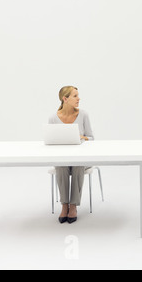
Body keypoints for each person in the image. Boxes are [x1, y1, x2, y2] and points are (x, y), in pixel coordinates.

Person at [48, 86, 94, 224]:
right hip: (62, 158)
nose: (79, 98)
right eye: (75, 96)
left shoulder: (83, 115)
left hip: (81, 159)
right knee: (61, 166)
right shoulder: (53, 118)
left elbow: (91, 138)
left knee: (77, 166)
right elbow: (50, 140)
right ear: (65, 99)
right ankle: (64, 205)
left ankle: (73, 206)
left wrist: (81, 137)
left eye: (78, 95)